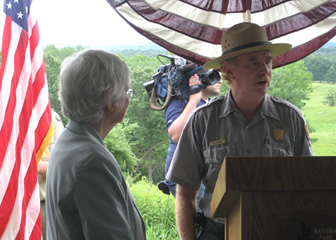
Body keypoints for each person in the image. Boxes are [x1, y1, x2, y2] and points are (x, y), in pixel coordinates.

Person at [166, 22, 314, 240]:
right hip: (217, 232)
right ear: (228, 70)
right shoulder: (203, 121)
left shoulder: (290, 118)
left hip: (277, 231)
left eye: (268, 61)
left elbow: (309, 189)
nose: (265, 70)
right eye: (253, 62)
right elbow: (185, 194)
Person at [46, 49, 146, 240]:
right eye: (127, 91)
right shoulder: (93, 161)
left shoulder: (68, 140)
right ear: (111, 101)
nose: (128, 99)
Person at [158, 72, 222, 200]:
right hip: (185, 177)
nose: (220, 79)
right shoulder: (181, 101)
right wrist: (193, 100)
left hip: (203, 175)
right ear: (198, 77)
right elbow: (176, 135)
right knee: (201, 219)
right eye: (214, 74)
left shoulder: (208, 104)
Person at [38, 109, 64, 240]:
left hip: (47, 204)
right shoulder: (10, 117)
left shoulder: (52, 118)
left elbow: (63, 164)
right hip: (17, 203)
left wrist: (29, 165)